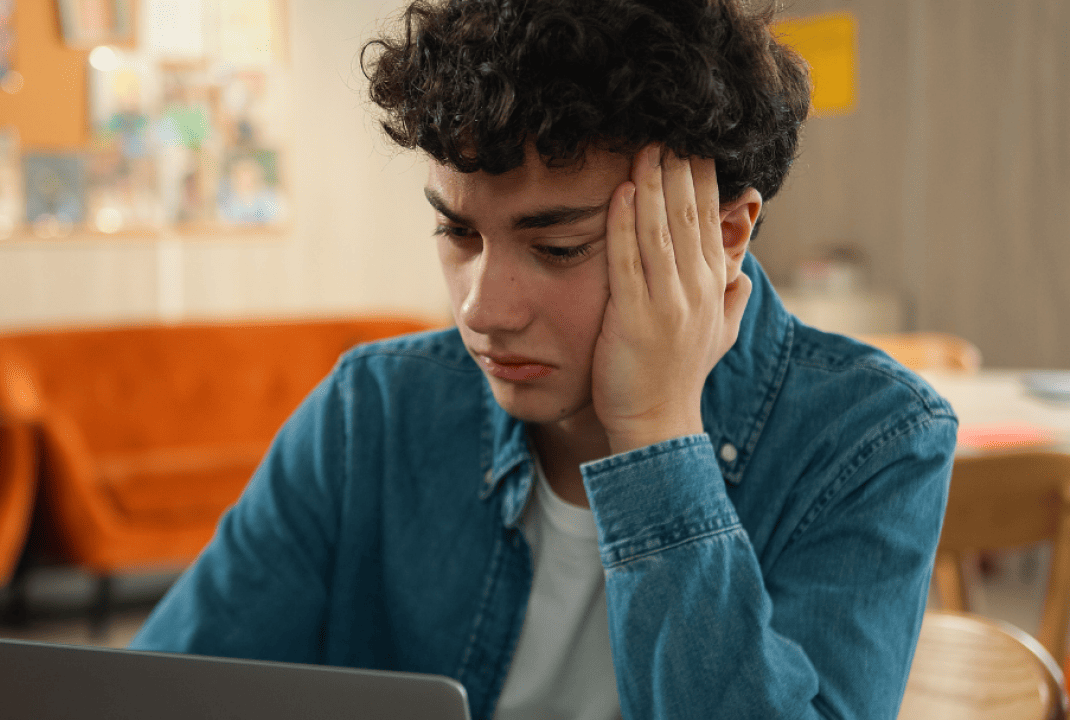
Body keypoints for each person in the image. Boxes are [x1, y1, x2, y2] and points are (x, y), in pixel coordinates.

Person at [130, 1, 957, 718]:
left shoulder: (872, 440)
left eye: (558, 247)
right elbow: (155, 695)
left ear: (723, 235)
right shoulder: (372, 411)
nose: (481, 310)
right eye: (458, 233)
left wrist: (657, 435)